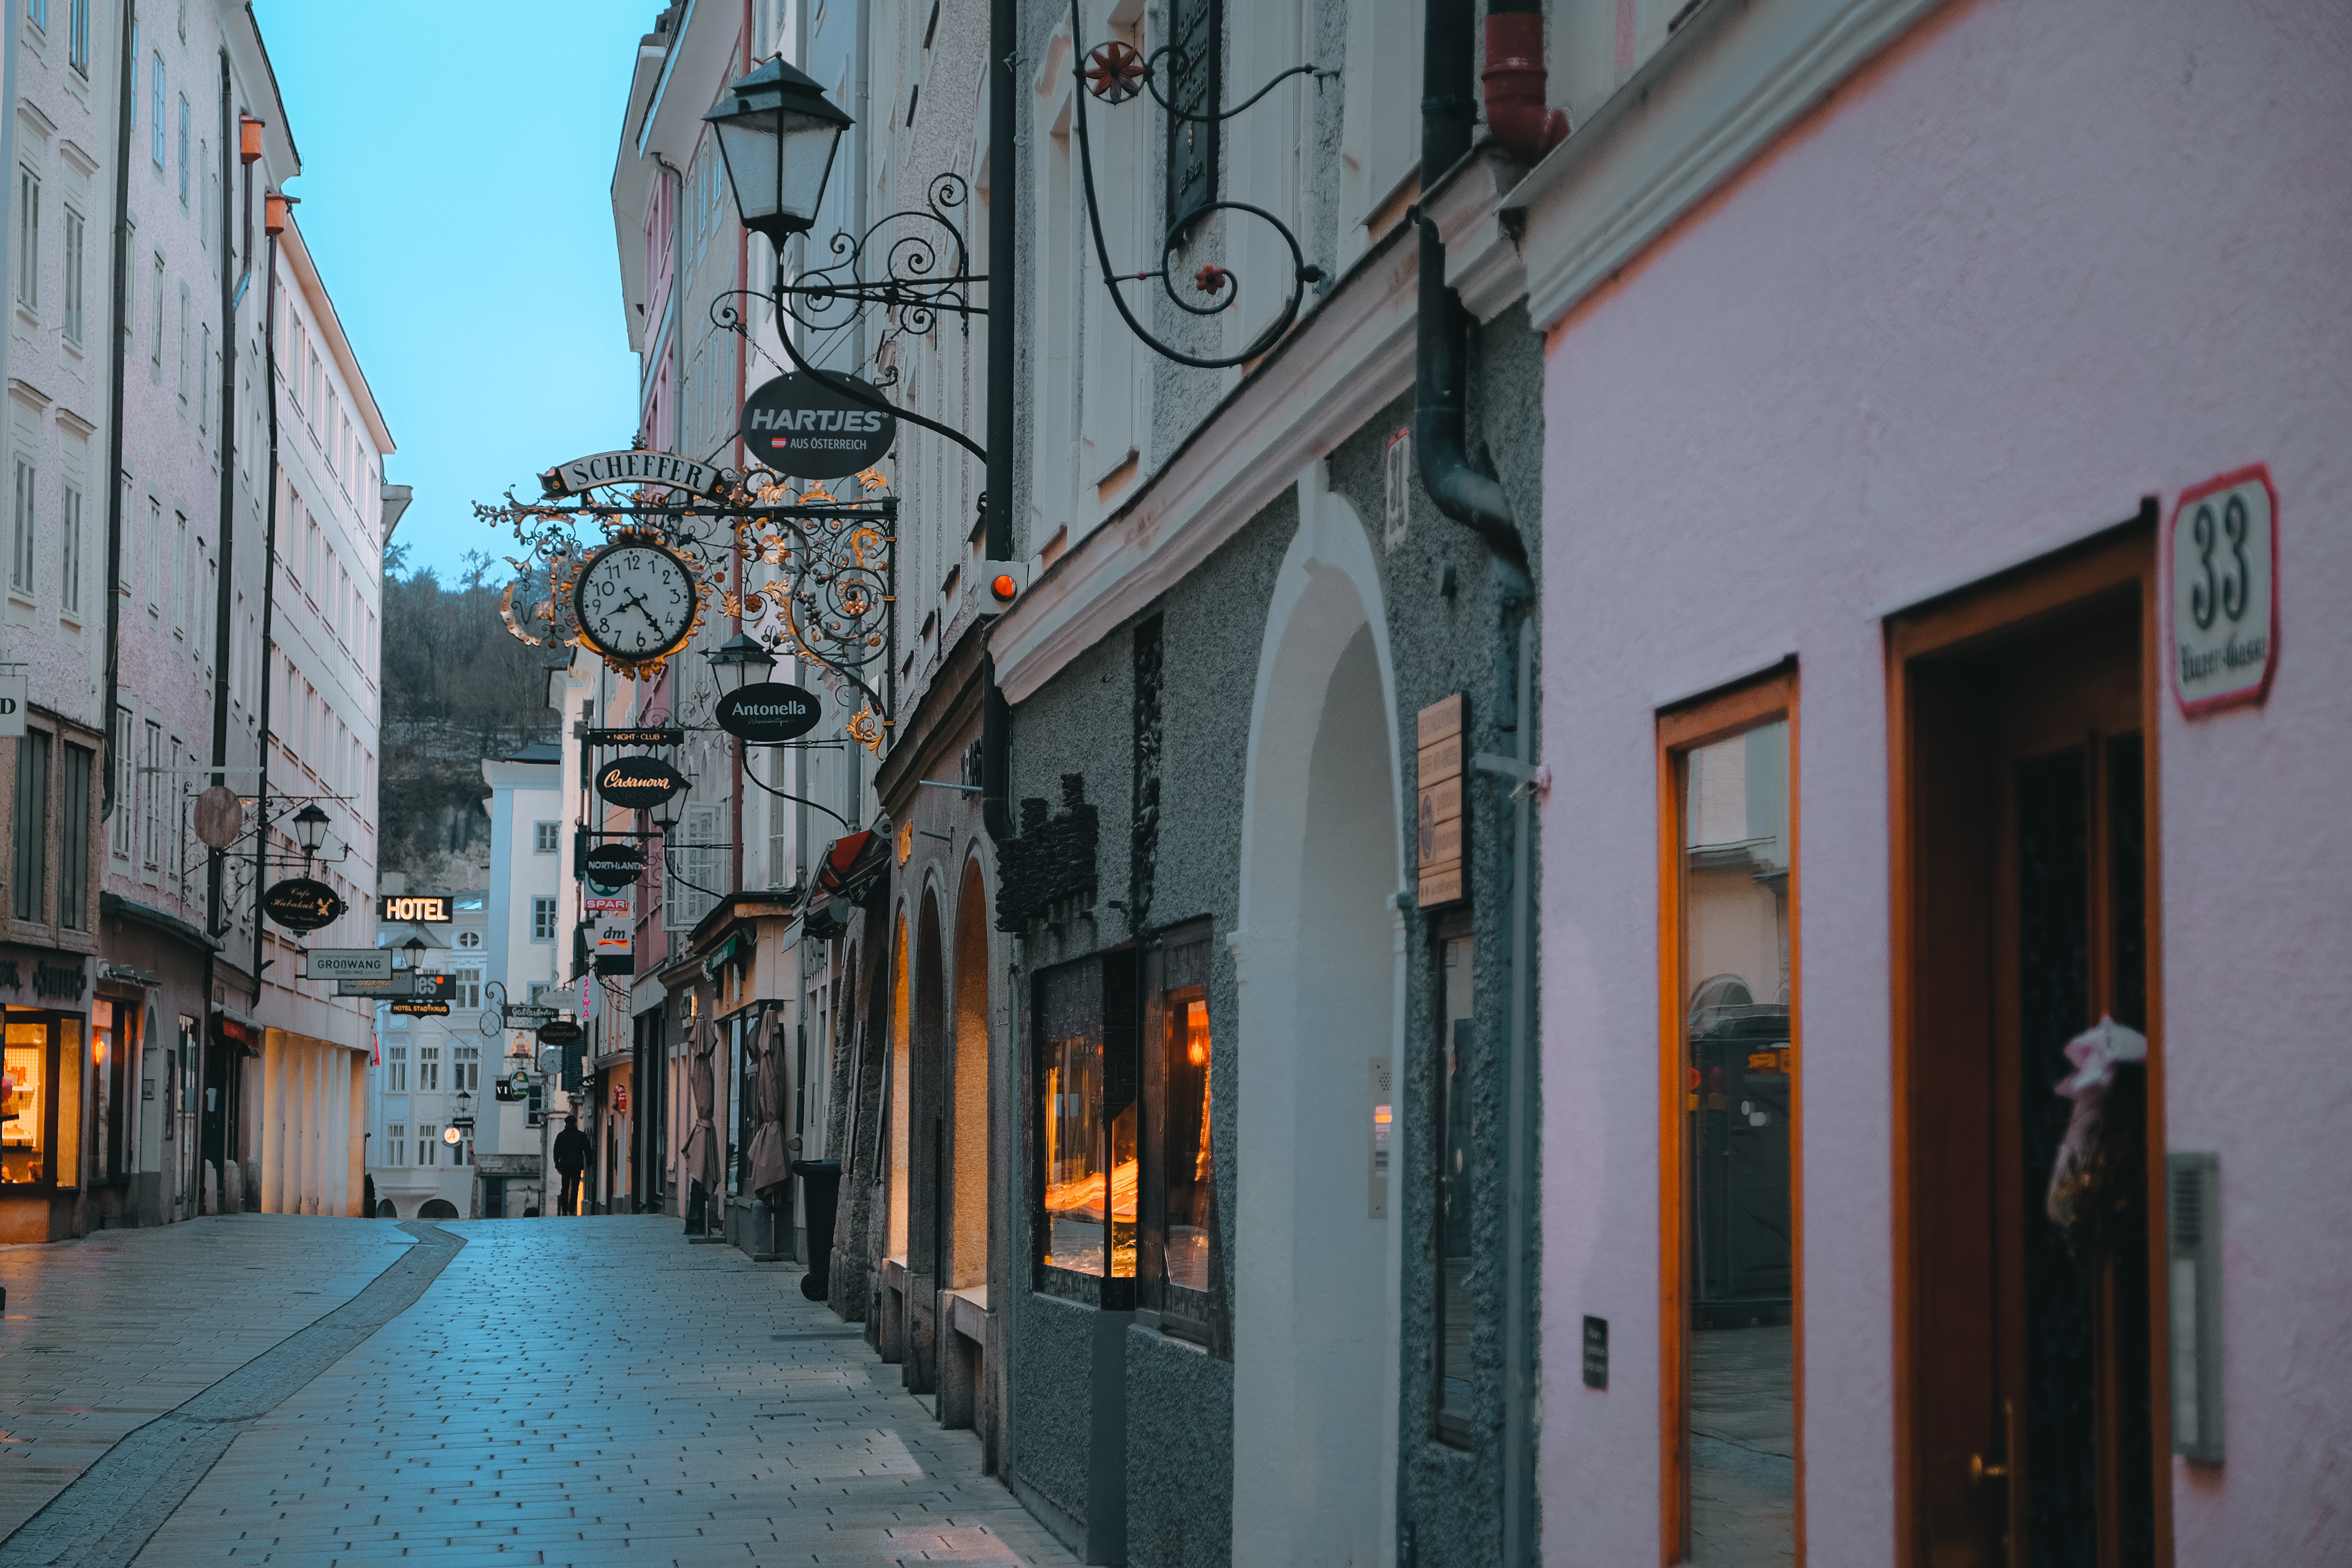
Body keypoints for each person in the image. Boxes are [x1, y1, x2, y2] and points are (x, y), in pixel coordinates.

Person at [552, 1115, 592, 1216]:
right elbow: (588, 1149)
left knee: (565, 1187)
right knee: (575, 1188)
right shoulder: (581, 1136)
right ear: (575, 1123)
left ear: (566, 1123)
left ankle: (564, 1210)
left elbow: (556, 1151)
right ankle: (571, 1209)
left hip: (565, 1165)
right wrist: (589, 1162)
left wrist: (557, 1165)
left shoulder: (561, 1136)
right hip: (577, 1164)